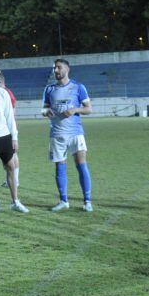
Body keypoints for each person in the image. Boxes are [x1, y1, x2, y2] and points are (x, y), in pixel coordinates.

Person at [42, 58, 93, 211]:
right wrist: (46, 112)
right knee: (60, 166)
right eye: (54, 68)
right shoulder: (49, 89)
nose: (56, 70)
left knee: (81, 165)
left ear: (67, 69)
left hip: (75, 133)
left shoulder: (78, 87)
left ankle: (87, 201)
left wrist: (75, 110)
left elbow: (89, 109)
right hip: (57, 133)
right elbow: (43, 109)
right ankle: (64, 201)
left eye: (59, 67)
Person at [0, 66, 28, 213]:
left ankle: (15, 201)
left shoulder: (3, 93)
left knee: (11, 167)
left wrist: (14, 137)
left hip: (4, 136)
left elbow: (10, 117)